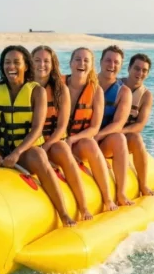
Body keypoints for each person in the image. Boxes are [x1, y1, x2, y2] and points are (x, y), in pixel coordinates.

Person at [0, 45, 76, 227]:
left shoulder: (37, 92)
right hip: (0, 149)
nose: (11, 67)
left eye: (16, 62)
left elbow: (36, 129)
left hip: (26, 152)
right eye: (7, 62)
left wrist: (17, 153)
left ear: (26, 66)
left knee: (40, 157)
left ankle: (63, 213)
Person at [32, 45, 93, 221]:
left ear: (53, 65)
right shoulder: (24, 87)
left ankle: (83, 206)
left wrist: (47, 145)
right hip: (30, 143)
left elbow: (61, 126)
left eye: (46, 61)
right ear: (30, 63)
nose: (41, 65)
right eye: (37, 60)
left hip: (53, 141)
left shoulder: (60, 90)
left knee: (63, 151)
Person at [65, 47, 118, 212]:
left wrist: (72, 139)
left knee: (90, 144)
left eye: (86, 60)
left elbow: (95, 127)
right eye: (77, 59)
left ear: (92, 66)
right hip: (56, 141)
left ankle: (108, 198)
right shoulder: (58, 86)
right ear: (71, 63)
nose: (81, 63)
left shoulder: (96, 91)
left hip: (77, 142)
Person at [95, 45, 134, 206]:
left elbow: (118, 124)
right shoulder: (87, 83)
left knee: (119, 138)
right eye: (108, 61)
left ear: (121, 65)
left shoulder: (123, 92)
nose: (111, 65)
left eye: (116, 62)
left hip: (102, 141)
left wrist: (97, 136)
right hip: (80, 139)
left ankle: (121, 192)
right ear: (100, 62)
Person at [121, 53, 154, 196]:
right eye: (136, 68)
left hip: (125, 137)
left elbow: (140, 124)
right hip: (104, 135)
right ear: (129, 68)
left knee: (136, 137)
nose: (140, 73)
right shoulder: (116, 85)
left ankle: (143, 184)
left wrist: (118, 131)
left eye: (144, 70)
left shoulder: (146, 95)